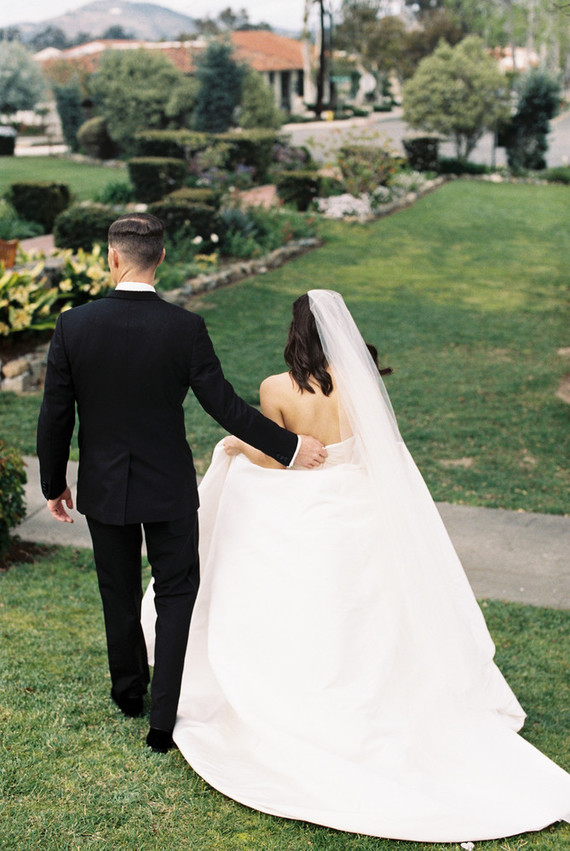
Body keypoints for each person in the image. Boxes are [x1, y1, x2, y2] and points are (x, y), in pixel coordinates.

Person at [142, 290, 570, 841]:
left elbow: (277, 455)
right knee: (367, 611)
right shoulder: (363, 384)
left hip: (302, 508)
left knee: (294, 594)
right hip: (357, 504)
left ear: (296, 332)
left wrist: (232, 447)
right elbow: (375, 450)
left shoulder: (277, 388)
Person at [36, 214, 326, 754]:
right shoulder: (183, 328)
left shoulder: (73, 325)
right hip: (168, 487)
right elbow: (225, 406)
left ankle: (128, 694)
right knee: (175, 595)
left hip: (103, 487)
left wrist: (54, 483)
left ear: (113, 258)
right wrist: (290, 447)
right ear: (162, 259)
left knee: (117, 591)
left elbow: (56, 415)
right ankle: (162, 720)